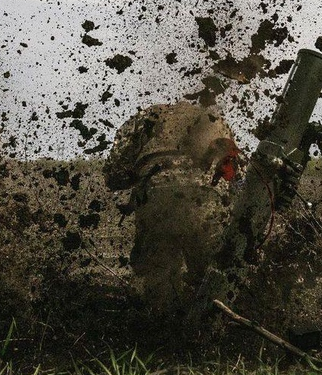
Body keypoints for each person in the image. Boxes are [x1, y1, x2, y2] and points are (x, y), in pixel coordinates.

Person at [103, 101, 240, 314]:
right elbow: (236, 176)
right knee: (214, 274)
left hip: (156, 193)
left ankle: (161, 332)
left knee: (158, 277)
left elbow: (114, 175)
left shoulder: (146, 117)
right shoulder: (214, 119)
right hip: (206, 198)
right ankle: (215, 329)